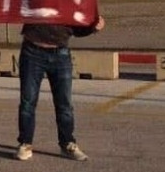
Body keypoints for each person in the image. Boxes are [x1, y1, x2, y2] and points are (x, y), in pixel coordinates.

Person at [15, 14, 105, 162]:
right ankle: (25, 143)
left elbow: (76, 28)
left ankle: (67, 143)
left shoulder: (69, 1)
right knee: (28, 101)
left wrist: (92, 28)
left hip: (60, 53)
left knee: (64, 103)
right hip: (32, 51)